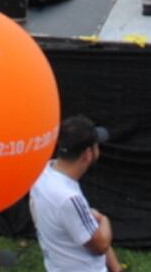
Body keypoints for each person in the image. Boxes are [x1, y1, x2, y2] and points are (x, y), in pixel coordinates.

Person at [28, 116, 121, 272]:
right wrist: (104, 219)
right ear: (88, 154)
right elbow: (101, 245)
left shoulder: (41, 172)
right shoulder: (70, 199)